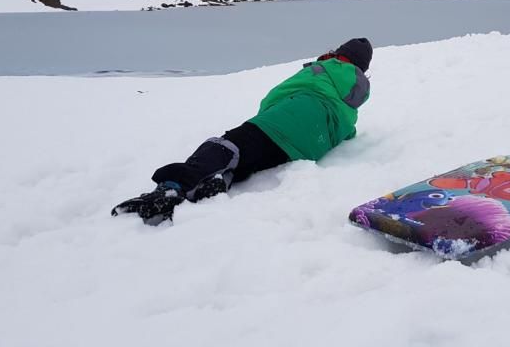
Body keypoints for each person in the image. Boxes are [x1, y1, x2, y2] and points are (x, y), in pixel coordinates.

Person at [112, 38, 373, 225]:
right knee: (254, 157)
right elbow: (347, 132)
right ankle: (215, 183)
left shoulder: (321, 68)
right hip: (306, 147)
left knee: (226, 146)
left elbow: (275, 96)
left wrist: (270, 114)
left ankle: (172, 187)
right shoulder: (355, 101)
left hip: (285, 119)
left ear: (339, 53)